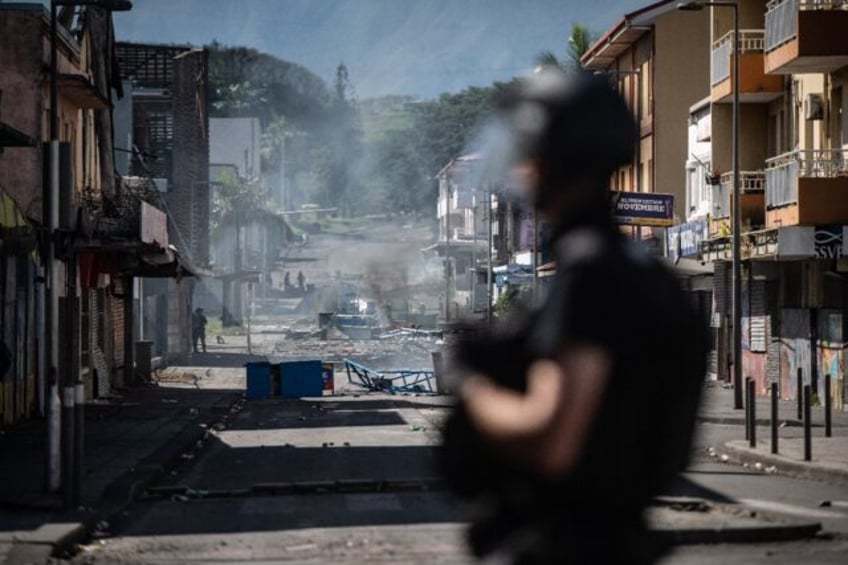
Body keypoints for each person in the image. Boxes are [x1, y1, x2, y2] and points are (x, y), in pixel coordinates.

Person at [440, 70, 708, 564]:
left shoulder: (591, 272)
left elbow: (552, 437)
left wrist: (473, 388)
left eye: (526, 156)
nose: (520, 172)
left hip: (573, 547)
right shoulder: (644, 270)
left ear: (549, 160)